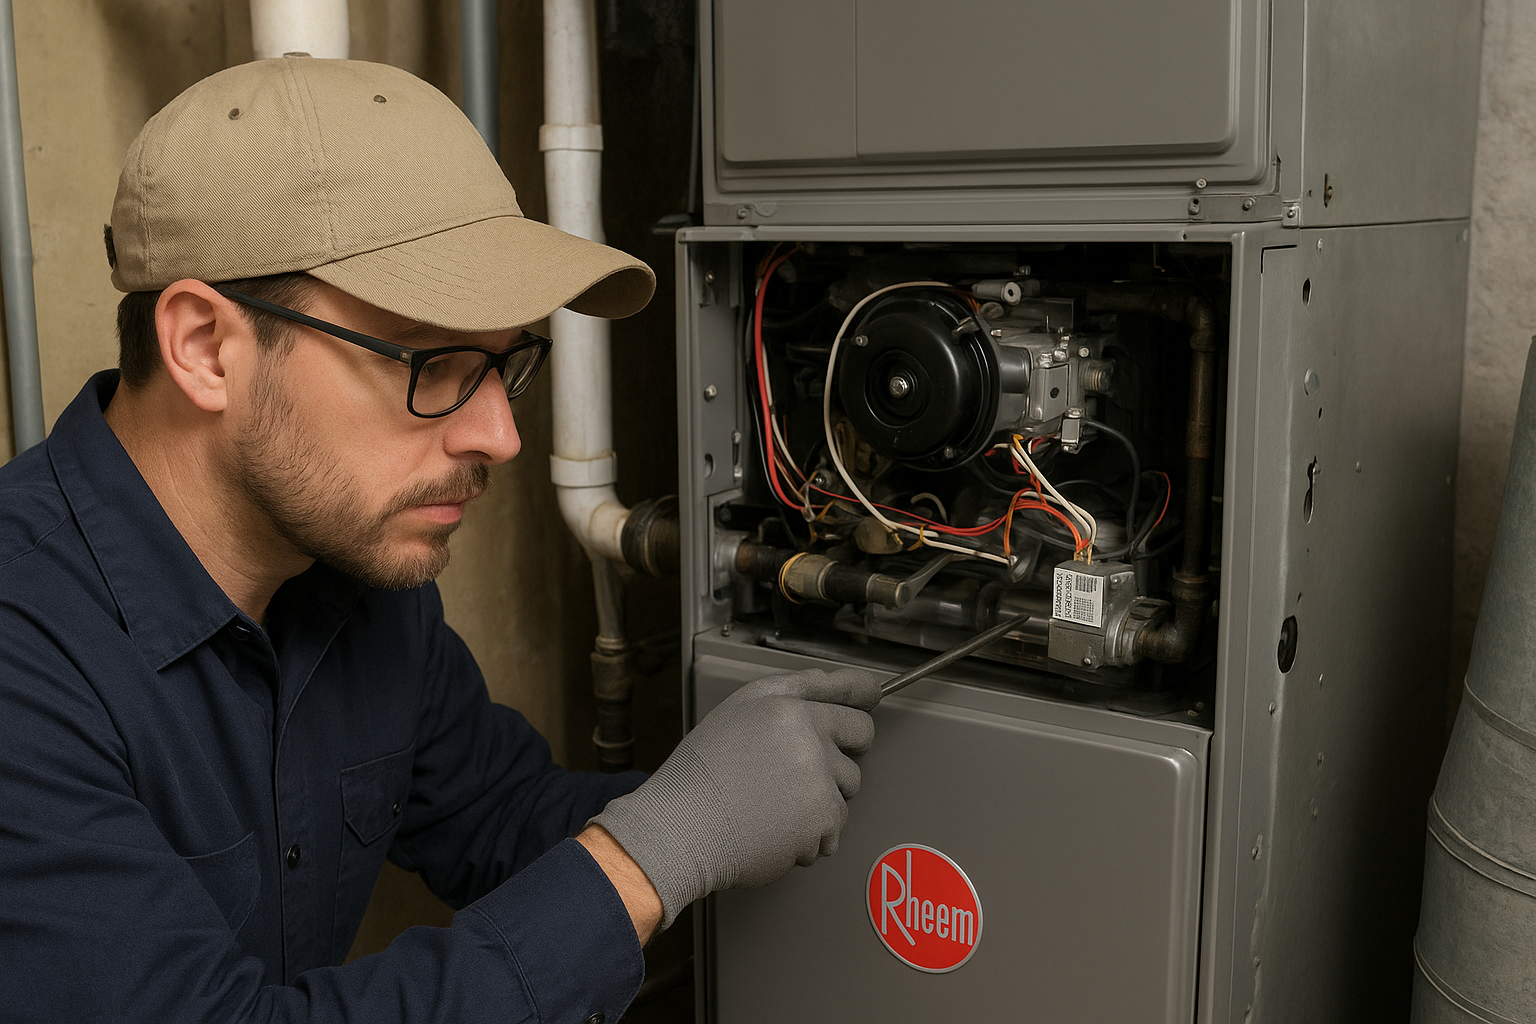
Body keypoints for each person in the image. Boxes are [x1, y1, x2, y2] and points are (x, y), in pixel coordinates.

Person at [0, 56, 878, 1023]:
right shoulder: (24, 654)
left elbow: (497, 819)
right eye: (434, 363)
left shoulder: (354, 571)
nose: (497, 435)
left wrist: (726, 796)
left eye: (505, 365)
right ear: (207, 347)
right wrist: (651, 856)